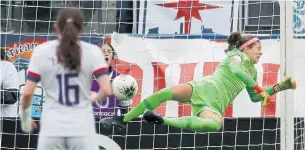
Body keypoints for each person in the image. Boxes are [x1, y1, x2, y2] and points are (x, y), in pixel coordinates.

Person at [101, 32, 297, 132]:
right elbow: (238, 72)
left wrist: (281, 86)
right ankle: (122, 120)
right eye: (257, 48)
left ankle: (161, 120)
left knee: (215, 124)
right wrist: (258, 88)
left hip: (214, 105)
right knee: (165, 93)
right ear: (245, 48)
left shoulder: (252, 72)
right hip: (203, 88)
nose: (260, 52)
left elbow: (256, 97)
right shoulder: (236, 57)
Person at [19, 8, 112, 150]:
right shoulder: (93, 51)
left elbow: (27, 93)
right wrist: (92, 97)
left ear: (56, 27)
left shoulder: (42, 52)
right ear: (82, 30)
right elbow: (106, 90)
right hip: (82, 130)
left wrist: (25, 118)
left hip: (52, 130)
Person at [91, 42, 131, 119]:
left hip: (111, 126)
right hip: (89, 124)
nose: (106, 53)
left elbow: (125, 108)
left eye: (109, 52)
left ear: (112, 56)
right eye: (103, 51)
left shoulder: (120, 79)